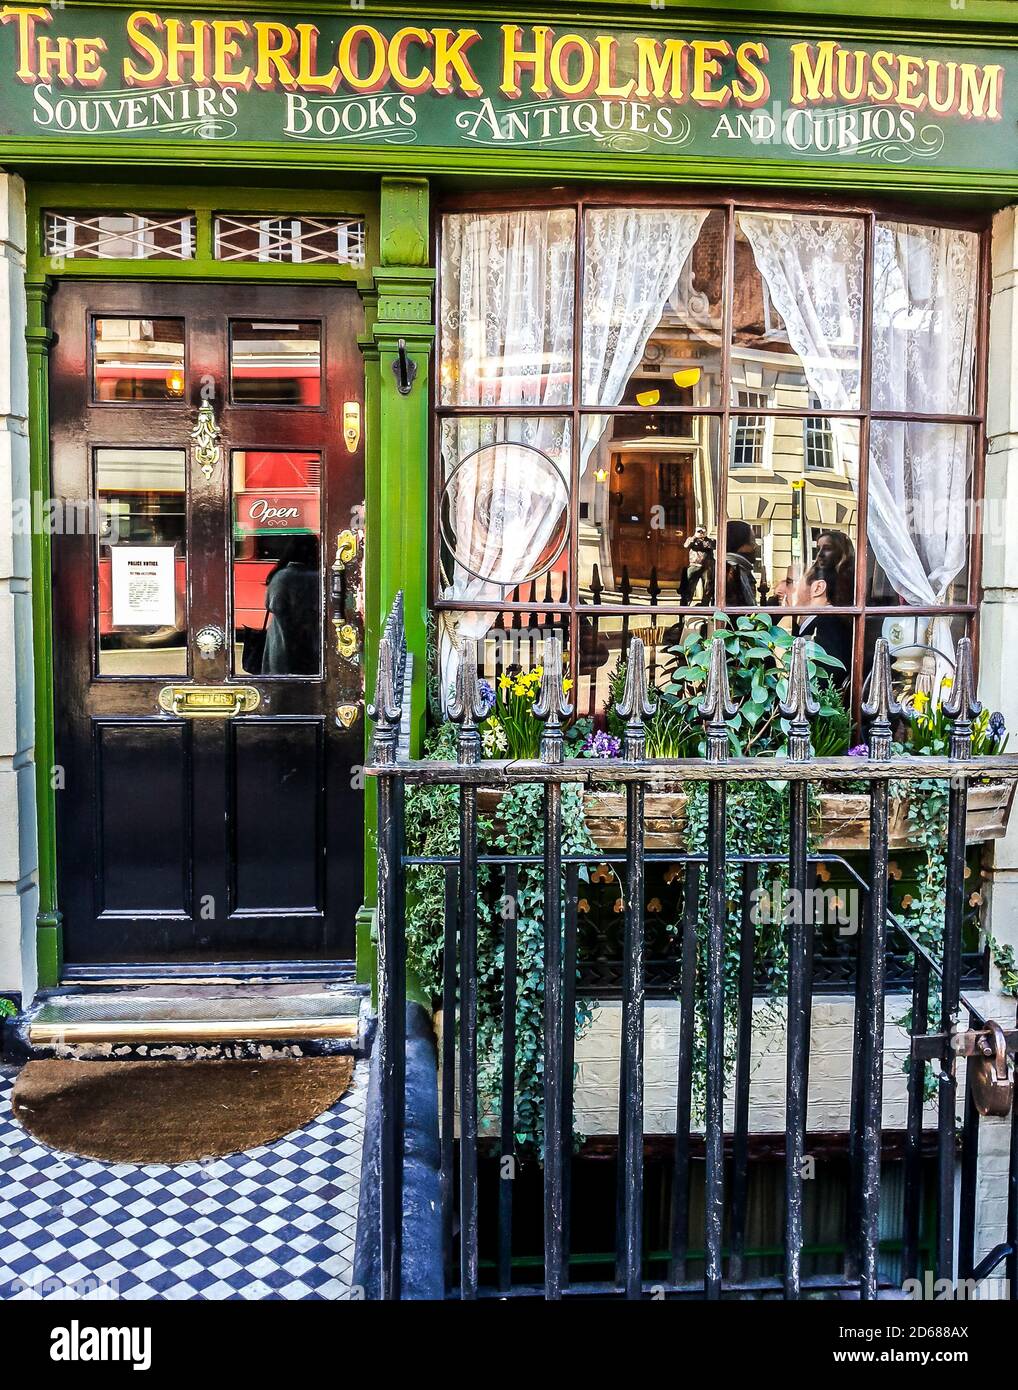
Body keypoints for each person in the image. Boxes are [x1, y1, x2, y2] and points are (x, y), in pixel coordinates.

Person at [261, 534, 321, 675]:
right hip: (311, 643)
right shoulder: (318, 577)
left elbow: (270, 605)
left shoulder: (281, 576)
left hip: (281, 642)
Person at [790, 556, 853, 676]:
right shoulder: (828, 622)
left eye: (791, 582)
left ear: (818, 588)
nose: (780, 589)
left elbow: (824, 682)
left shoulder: (826, 626)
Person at [724, 520, 759, 606]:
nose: (755, 546)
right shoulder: (731, 570)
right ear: (739, 544)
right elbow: (742, 613)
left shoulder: (740, 568)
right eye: (752, 542)